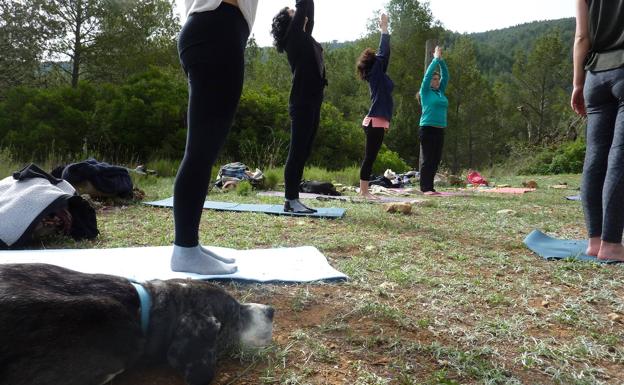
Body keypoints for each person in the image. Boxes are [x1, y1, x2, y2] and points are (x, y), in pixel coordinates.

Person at [171, 0, 258, 274]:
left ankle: (189, 246)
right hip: (217, 31)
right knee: (200, 152)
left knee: (201, 151)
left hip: (211, 30)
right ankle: (185, 250)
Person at [571, 0, 624, 261]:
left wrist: (577, 84)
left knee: (595, 156)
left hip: (594, 75)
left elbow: (582, 37)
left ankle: (594, 240)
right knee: (620, 155)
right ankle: (612, 244)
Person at [271, 0, 327, 214]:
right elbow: (303, 6)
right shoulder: (293, 37)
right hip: (302, 102)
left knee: (304, 151)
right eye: (292, 11)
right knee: (297, 152)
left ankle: (294, 199)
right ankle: (290, 200)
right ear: (289, 21)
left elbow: (308, 13)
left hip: (313, 101)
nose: (296, 12)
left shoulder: (303, 36)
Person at [356, 14, 394, 200]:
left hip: (377, 121)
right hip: (374, 122)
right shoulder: (375, 74)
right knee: (369, 157)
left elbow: (384, 57)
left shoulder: (377, 75)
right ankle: (364, 191)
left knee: (370, 157)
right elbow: (383, 51)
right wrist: (384, 28)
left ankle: (365, 190)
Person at [418, 46, 449, 195]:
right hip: (427, 128)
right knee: (428, 159)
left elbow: (446, 76)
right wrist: (435, 59)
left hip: (440, 129)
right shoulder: (425, 91)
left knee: (436, 160)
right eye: (434, 79)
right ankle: (425, 188)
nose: (437, 81)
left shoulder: (440, 92)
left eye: (437, 79)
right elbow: (427, 75)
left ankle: (431, 187)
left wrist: (441, 61)